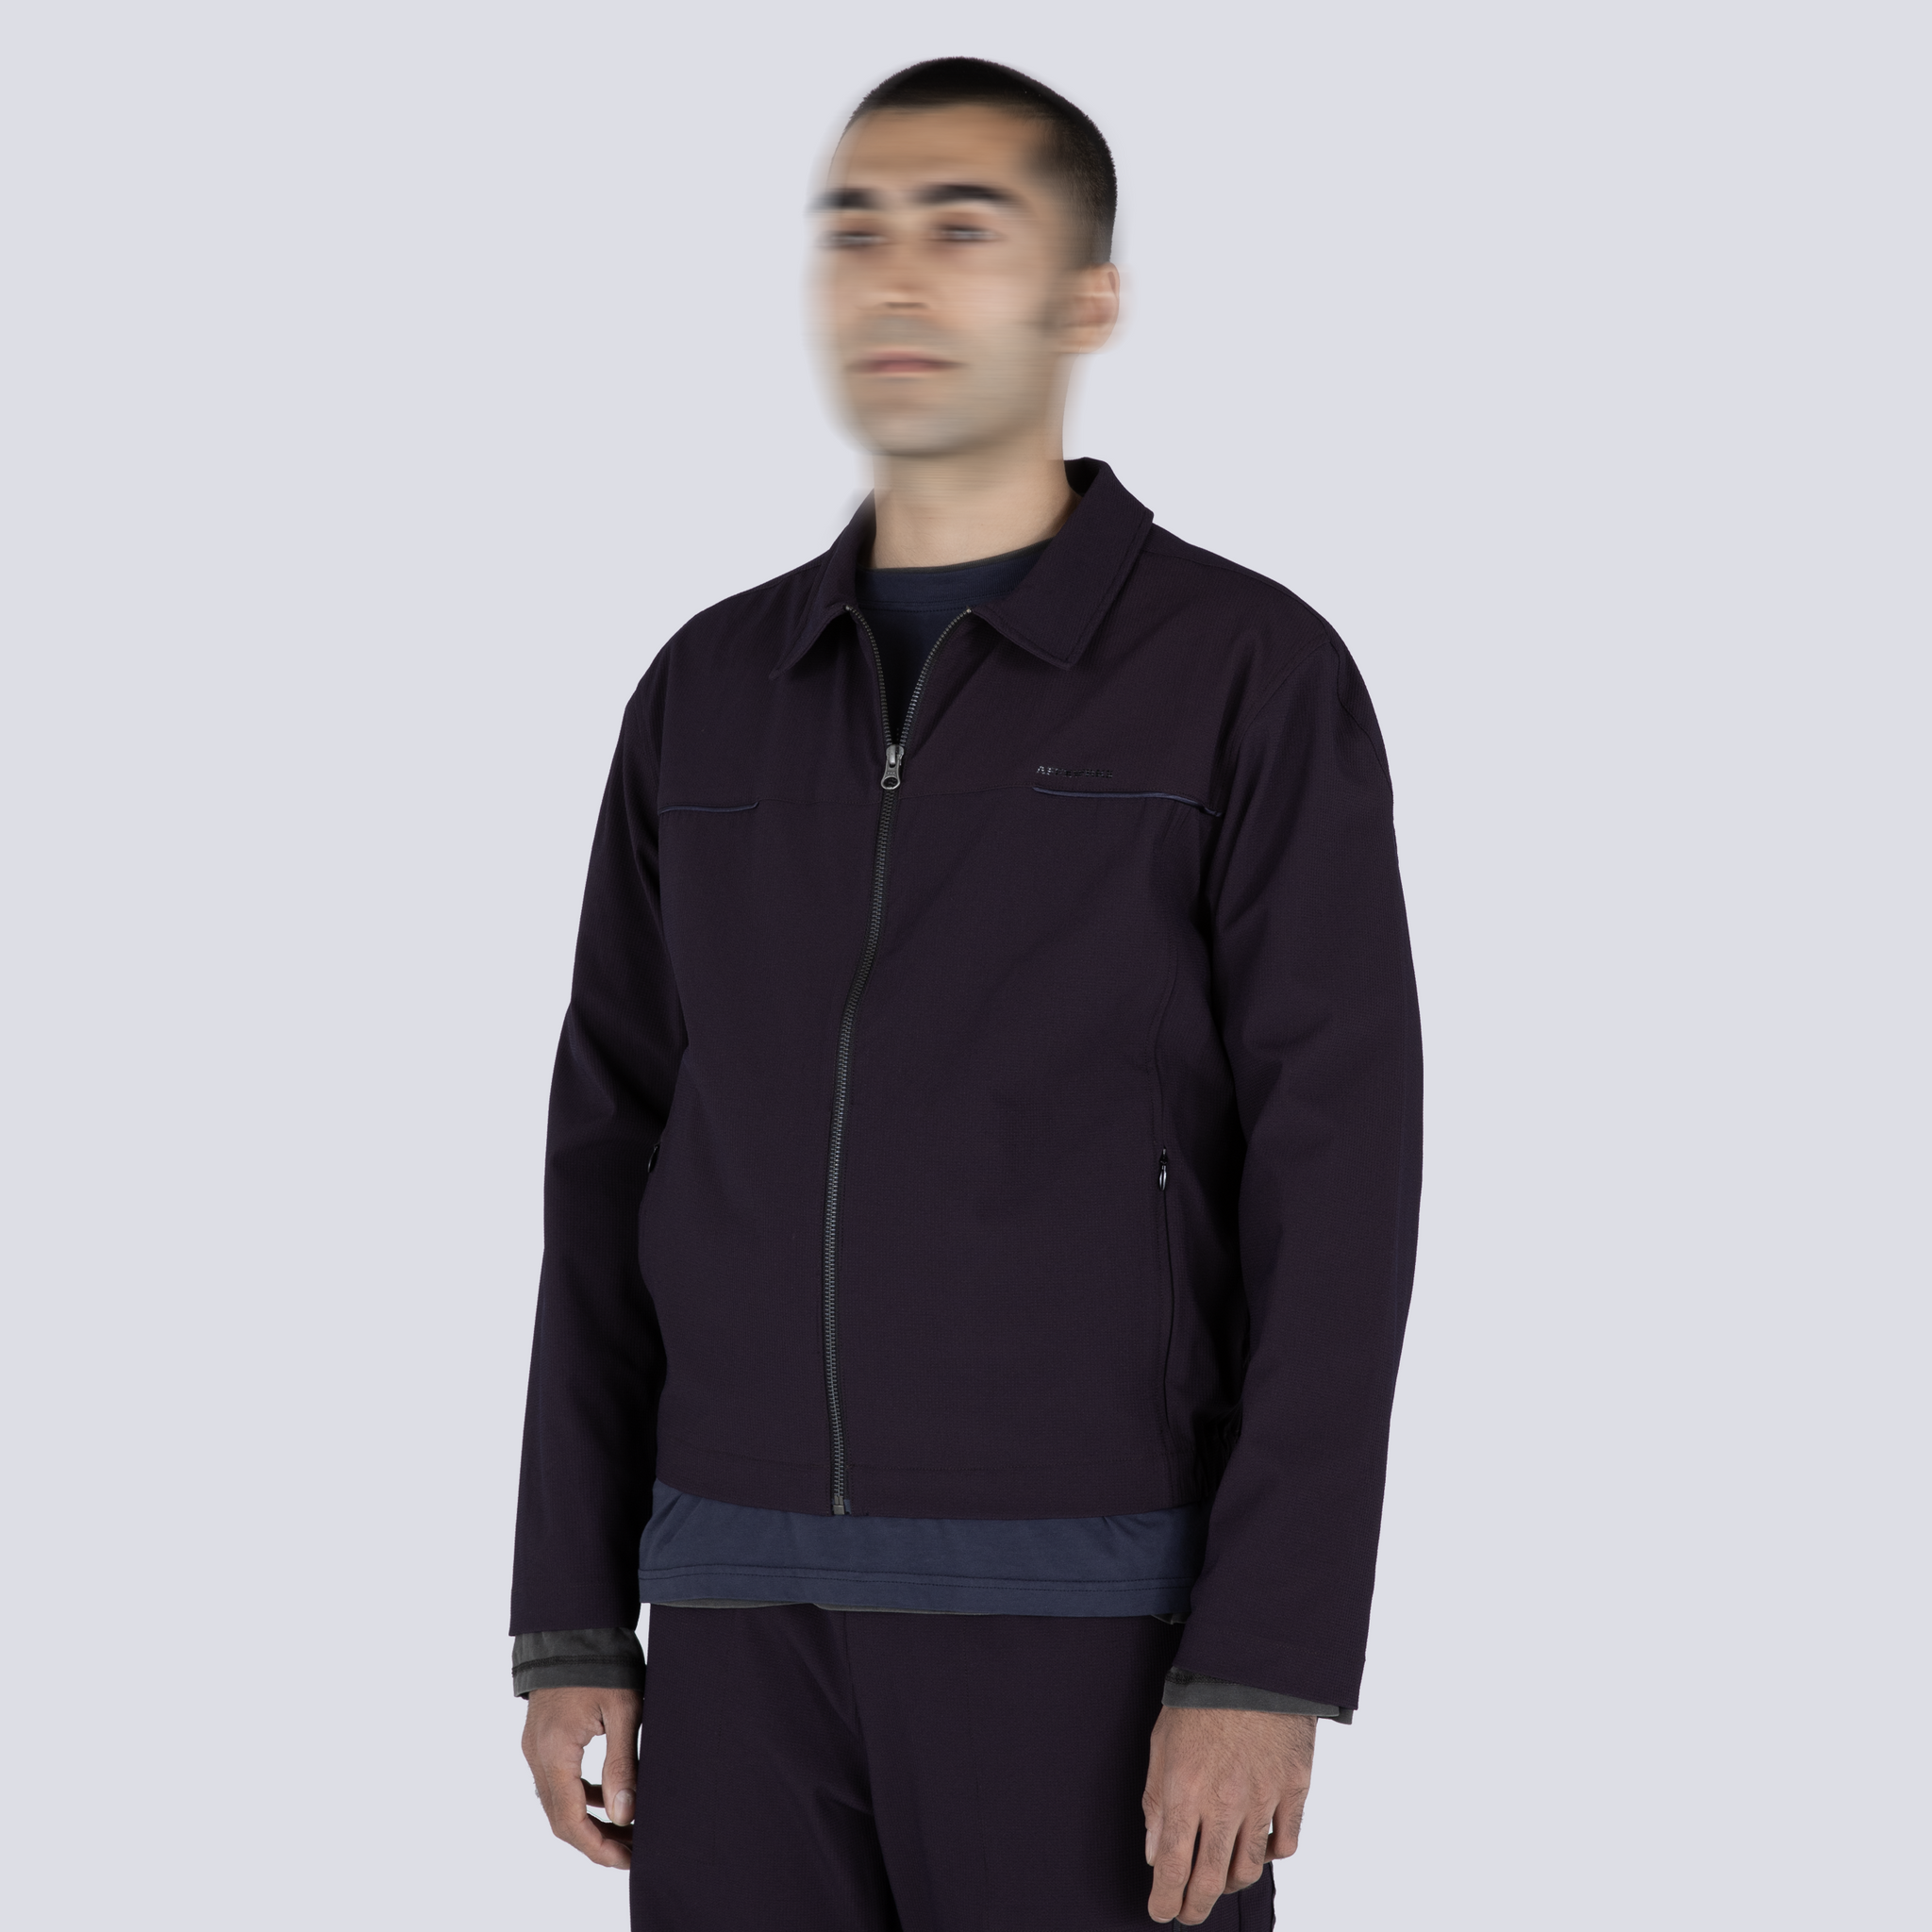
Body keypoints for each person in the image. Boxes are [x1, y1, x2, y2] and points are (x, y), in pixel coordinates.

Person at [509, 56, 1423, 1931]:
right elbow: (608, 1159)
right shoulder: (708, 693)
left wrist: (1264, 1658)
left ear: (1087, 298)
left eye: (964, 227)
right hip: (735, 1610)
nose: (898, 276)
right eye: (853, 229)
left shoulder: (1245, 673)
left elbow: (1338, 1193)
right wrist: (572, 1611)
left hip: (1095, 1615)